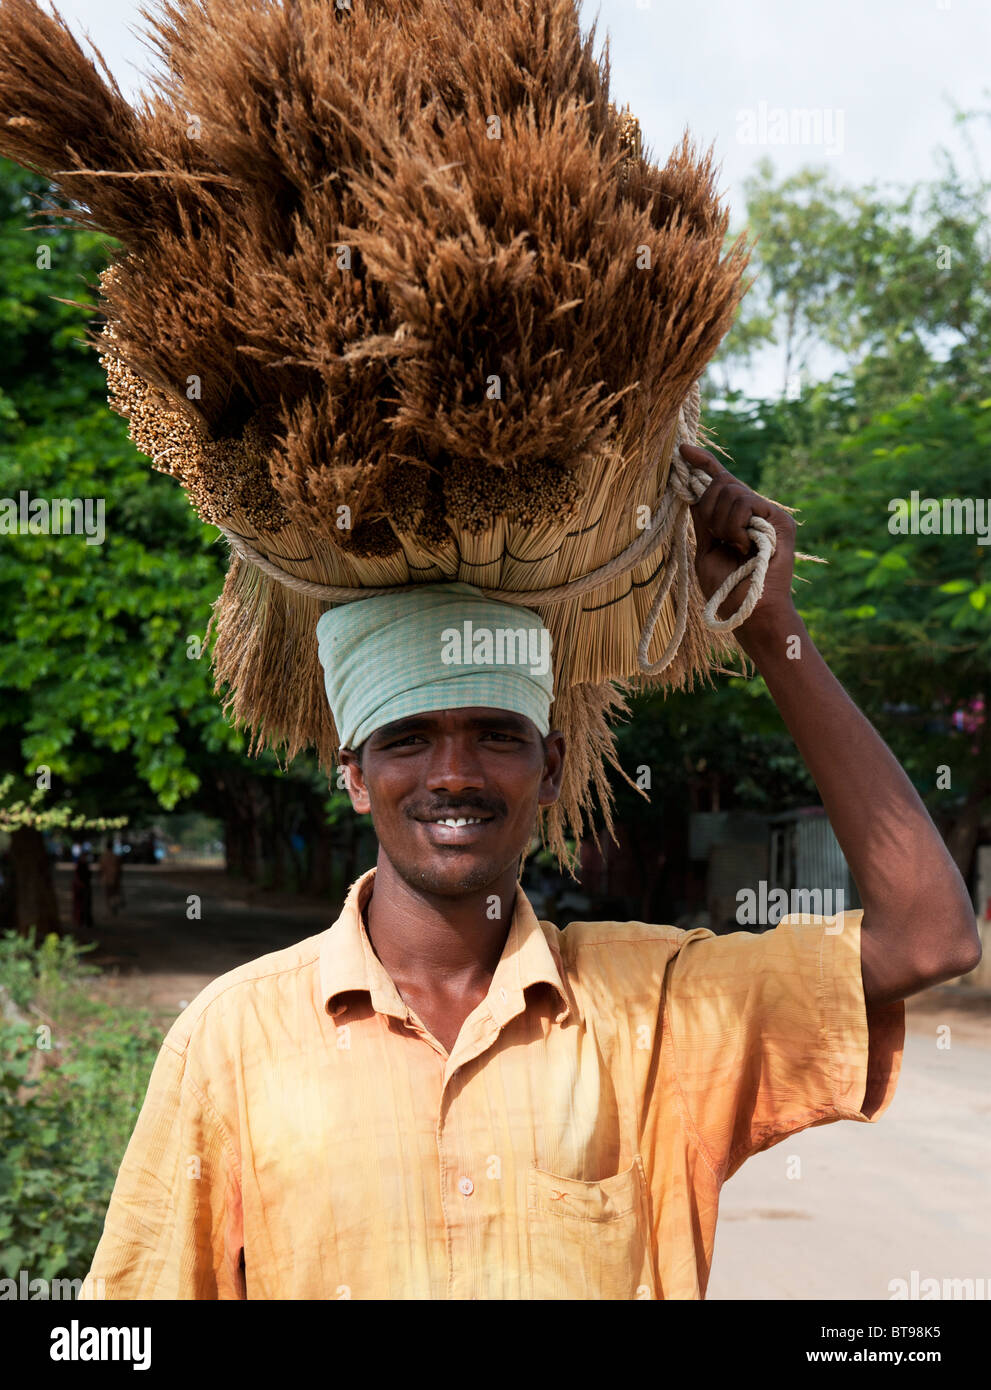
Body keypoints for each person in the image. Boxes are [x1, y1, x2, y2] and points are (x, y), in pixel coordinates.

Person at [80, 450, 981, 1300]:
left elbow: (927, 938)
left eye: (495, 735)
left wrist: (769, 624)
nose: (455, 774)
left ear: (551, 767)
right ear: (354, 776)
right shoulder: (231, 1039)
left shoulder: (657, 1005)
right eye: (408, 739)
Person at [97, 838, 124, 916]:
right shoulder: (116, 856)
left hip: (106, 878)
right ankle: (113, 907)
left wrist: (99, 877)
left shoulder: (103, 857)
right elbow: (120, 869)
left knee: (108, 894)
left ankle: (110, 908)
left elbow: (101, 869)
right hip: (115, 877)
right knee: (114, 893)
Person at [70, 853, 93, 933]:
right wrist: (81, 885)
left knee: (86, 905)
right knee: (81, 905)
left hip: (85, 887)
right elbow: (77, 877)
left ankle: (86, 921)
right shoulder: (80, 866)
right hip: (81, 888)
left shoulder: (85, 865)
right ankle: (81, 921)